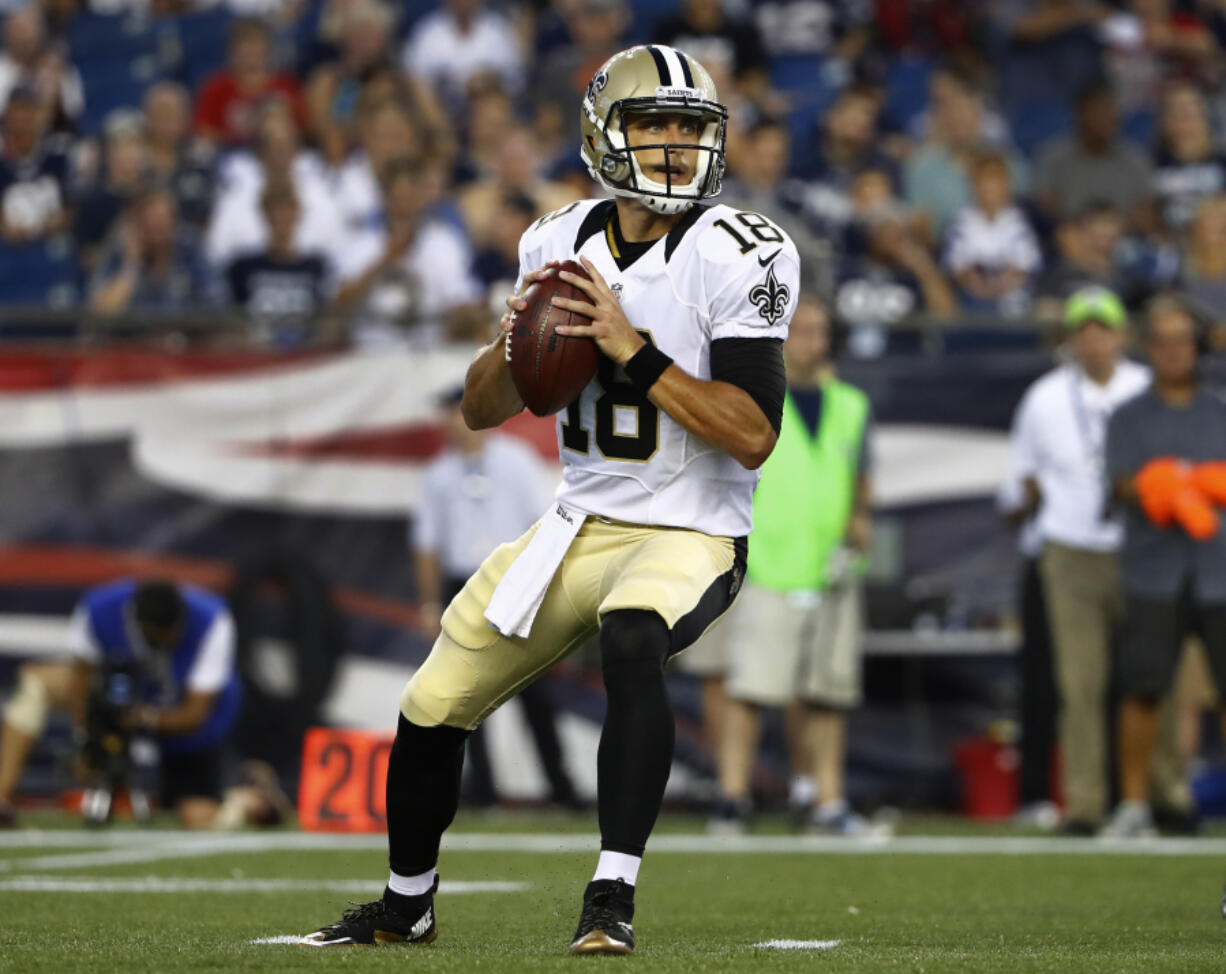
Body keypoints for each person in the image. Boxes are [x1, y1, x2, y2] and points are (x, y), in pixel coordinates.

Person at [302, 43, 798, 954]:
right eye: (654, 125)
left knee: (635, 633)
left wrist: (627, 346)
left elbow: (753, 431)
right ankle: (407, 904)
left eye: (691, 128)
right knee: (430, 704)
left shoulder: (742, 251)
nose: (677, 146)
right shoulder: (554, 239)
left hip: (689, 527)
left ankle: (611, 897)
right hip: (576, 520)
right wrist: (520, 339)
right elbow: (486, 406)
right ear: (604, 136)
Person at [708, 294, 872, 835]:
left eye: (820, 332)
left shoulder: (850, 403)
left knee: (828, 692)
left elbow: (861, 473)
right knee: (750, 689)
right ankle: (733, 797)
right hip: (767, 559)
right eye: (802, 331)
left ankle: (829, 799)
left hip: (830, 565)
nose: (813, 342)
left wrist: (861, 517)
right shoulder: (752, 398)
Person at [1007, 286, 1150, 834]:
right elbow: (1020, 479)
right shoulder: (1045, 396)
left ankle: (1143, 798)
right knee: (1079, 684)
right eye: (1083, 329)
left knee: (1143, 680)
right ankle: (1087, 803)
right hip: (1069, 545)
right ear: (1070, 337)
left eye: (1103, 328)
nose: (1094, 339)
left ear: (1121, 334)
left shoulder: (1143, 389)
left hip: (1139, 549)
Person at [0, 578, 282, 829]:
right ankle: (1, 796)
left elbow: (195, 714)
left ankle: (247, 796)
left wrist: (141, 718)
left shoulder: (213, 621)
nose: (168, 641)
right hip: (116, 700)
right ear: (138, 622)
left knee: (198, 818)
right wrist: (86, 738)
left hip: (180, 722)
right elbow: (80, 681)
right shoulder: (99, 611)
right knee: (34, 684)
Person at [415, 386, 578, 810]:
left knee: (534, 691)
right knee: (464, 695)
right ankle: (478, 788)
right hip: (462, 582)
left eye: (457, 412)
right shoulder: (438, 474)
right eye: (448, 414)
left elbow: (544, 524)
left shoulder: (516, 461)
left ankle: (561, 787)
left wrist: (542, 587)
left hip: (513, 580)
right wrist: (431, 604)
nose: (452, 422)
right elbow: (427, 546)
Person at [1103, 294, 1226, 838]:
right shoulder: (1129, 416)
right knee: (1143, 688)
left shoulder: (1218, 412)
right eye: (1163, 342)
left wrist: (1194, 484)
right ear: (1149, 349)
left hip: (1218, 570)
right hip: (1152, 570)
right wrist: (1169, 487)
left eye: (1182, 341)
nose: (1174, 351)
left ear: (1194, 348)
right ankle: (1133, 805)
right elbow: (1121, 483)